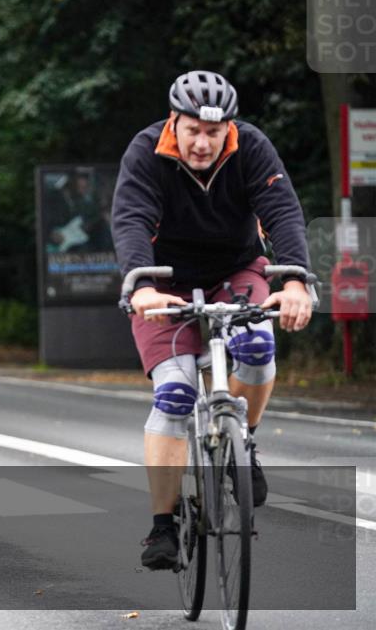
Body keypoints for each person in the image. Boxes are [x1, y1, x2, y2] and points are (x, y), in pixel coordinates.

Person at [112, 71, 313, 570]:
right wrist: (141, 288)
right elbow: (132, 217)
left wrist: (292, 281)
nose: (203, 142)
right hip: (163, 279)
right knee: (175, 394)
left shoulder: (252, 147)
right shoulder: (145, 150)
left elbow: (282, 212)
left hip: (237, 269)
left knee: (257, 348)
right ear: (174, 122)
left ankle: (242, 439)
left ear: (229, 128)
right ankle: (162, 527)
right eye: (193, 130)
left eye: (214, 131)